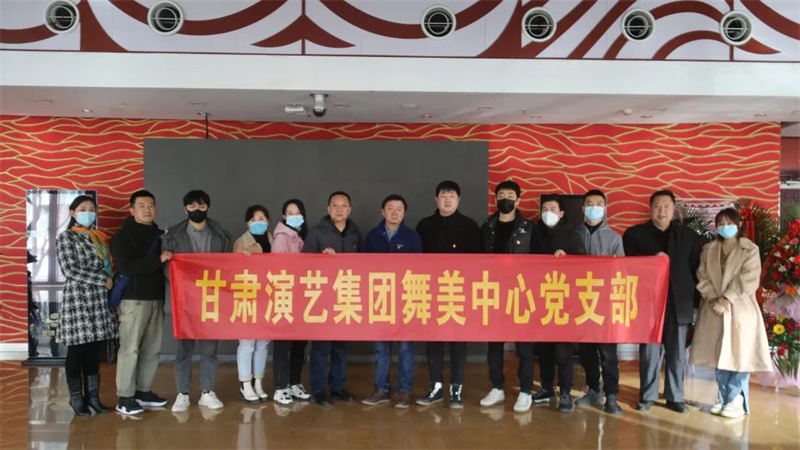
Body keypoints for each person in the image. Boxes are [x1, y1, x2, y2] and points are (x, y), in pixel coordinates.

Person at [623, 190, 701, 414]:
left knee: (677, 353)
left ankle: (675, 397)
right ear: (650, 209)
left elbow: (696, 269)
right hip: (648, 303)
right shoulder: (634, 235)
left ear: (674, 209)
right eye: (657, 206)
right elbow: (628, 268)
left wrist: (696, 302)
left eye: (667, 206)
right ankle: (647, 395)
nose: (662, 211)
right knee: (650, 353)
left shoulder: (688, 236)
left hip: (678, 302)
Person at [690, 208, 772, 418]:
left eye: (729, 223)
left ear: (739, 225)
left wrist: (726, 299)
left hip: (740, 309)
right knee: (720, 354)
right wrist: (713, 299)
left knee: (739, 354)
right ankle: (723, 396)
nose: (725, 227)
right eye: (721, 224)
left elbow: (749, 279)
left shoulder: (749, 249)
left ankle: (737, 398)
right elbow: (702, 276)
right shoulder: (709, 249)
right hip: (714, 310)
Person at [162, 190, 233, 413]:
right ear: (185, 209)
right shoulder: (172, 235)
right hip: (184, 300)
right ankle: (182, 394)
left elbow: (230, 265)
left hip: (211, 298)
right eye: (192, 206)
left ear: (208, 208)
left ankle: (207, 392)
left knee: (210, 349)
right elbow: (166, 268)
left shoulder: (221, 235)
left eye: (201, 206)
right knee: (183, 350)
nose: (197, 210)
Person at [415, 180, 482, 409]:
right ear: (436, 199)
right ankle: (435, 387)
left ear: (458, 199)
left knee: (458, 344)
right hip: (431, 293)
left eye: (451, 196)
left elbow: (479, 262)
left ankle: (456, 389)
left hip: (459, 294)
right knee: (433, 343)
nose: (447, 200)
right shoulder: (424, 225)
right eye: (443, 196)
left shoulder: (470, 226)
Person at [478, 180, 542, 413]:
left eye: (510, 195)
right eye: (501, 195)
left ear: (518, 200)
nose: (506, 199)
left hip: (521, 293)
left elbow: (540, 261)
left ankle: (525, 391)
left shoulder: (530, 228)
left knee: (524, 347)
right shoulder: (487, 226)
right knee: (494, 345)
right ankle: (497, 387)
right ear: (495, 199)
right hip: (494, 293)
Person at [110, 190, 172, 415]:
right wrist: (159, 259)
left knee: (152, 349)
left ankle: (142, 391)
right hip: (134, 301)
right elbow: (127, 267)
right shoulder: (123, 236)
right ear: (132, 210)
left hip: (156, 298)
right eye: (142, 206)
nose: (147, 210)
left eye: (151, 205)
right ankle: (125, 397)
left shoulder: (160, 235)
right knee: (130, 349)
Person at [56, 195, 118, 417]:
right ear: (73, 213)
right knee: (77, 351)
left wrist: (109, 279)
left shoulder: (97, 237)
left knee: (93, 351)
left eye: (92, 209)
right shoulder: (66, 237)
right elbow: (69, 270)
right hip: (78, 300)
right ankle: (76, 398)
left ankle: (93, 398)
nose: (88, 213)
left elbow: (107, 266)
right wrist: (102, 279)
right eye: (83, 209)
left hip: (99, 300)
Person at [361, 194, 423, 409]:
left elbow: (420, 268)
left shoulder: (412, 237)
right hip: (380, 298)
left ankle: (404, 391)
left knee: (405, 348)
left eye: (399, 209)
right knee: (381, 348)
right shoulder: (372, 236)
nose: (394, 212)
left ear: (404, 213)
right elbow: (362, 267)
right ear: (383, 212)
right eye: (390, 208)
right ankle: (381, 389)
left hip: (405, 299)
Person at [302, 191, 362, 407]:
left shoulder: (355, 233)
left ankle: (337, 386)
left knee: (340, 346)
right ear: (328, 209)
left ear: (349, 210)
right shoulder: (316, 233)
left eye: (343, 206)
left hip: (346, 296)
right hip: (322, 298)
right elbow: (304, 265)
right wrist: (321, 260)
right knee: (320, 347)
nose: (339, 209)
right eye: (335, 205)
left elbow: (364, 265)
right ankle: (318, 389)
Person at [532, 193, 586, 413]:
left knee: (563, 352)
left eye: (552, 209)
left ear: (562, 213)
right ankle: (546, 387)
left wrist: (568, 258)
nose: (548, 213)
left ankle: (565, 391)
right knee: (543, 350)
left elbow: (584, 266)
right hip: (538, 300)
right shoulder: (534, 232)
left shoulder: (572, 235)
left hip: (564, 301)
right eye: (544, 209)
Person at [574, 189, 624, 415]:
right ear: (583, 208)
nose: (593, 208)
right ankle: (593, 389)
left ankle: (611, 395)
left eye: (598, 204)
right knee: (586, 352)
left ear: (605, 209)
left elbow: (622, 272)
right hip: (580, 304)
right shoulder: (573, 235)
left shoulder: (614, 238)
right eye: (589, 204)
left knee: (608, 353)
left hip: (605, 305)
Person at [271, 199, 311, 406]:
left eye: (298, 213)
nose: (294, 216)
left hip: (303, 298)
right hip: (285, 296)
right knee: (283, 343)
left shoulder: (303, 236)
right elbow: (280, 268)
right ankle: (280, 387)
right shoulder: (281, 237)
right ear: (284, 216)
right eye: (290, 213)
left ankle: (294, 382)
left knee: (299, 343)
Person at [233, 205, 274, 404]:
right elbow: (231, 271)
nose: (258, 222)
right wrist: (240, 259)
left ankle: (258, 381)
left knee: (263, 342)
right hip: (247, 296)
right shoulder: (240, 243)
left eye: (262, 218)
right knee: (247, 342)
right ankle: (245, 383)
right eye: (253, 219)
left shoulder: (274, 240)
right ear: (247, 223)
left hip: (269, 296)